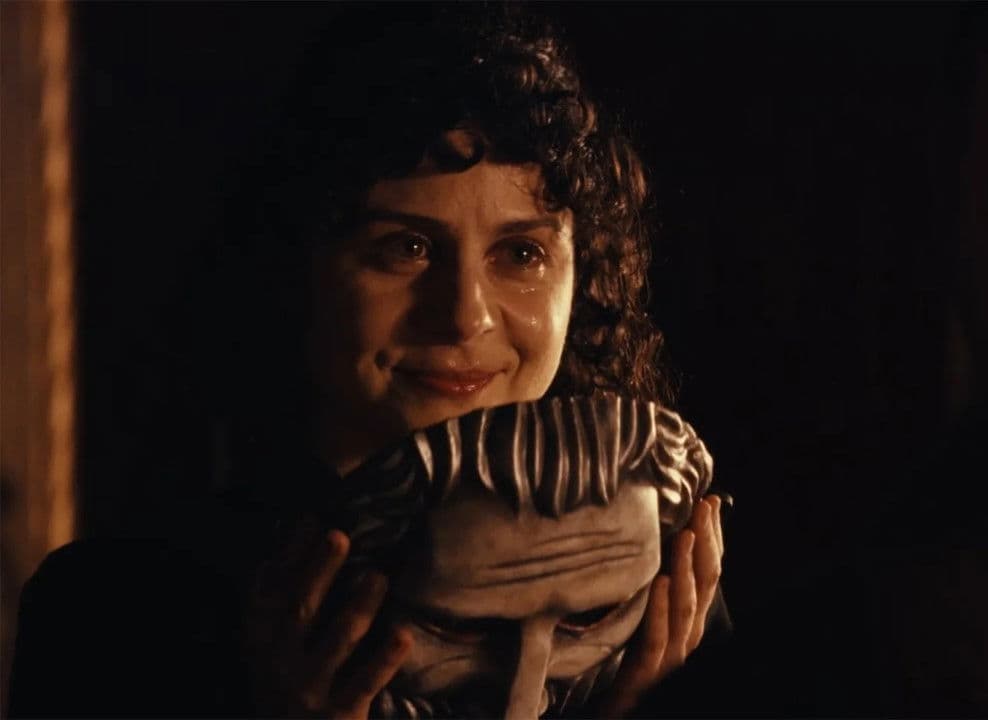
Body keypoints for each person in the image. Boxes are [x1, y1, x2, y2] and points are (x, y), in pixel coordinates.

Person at [7, 5, 727, 718]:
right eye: (406, 248)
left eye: (522, 253)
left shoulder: (657, 592)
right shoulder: (115, 613)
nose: (465, 315)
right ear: (297, 265)